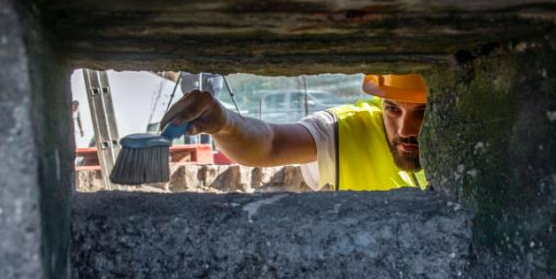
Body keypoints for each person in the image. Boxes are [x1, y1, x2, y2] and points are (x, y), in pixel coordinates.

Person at [160, 74, 428, 191]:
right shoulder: (347, 127)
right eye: (392, 109)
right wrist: (225, 122)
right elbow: (271, 144)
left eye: (422, 112)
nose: (406, 130)